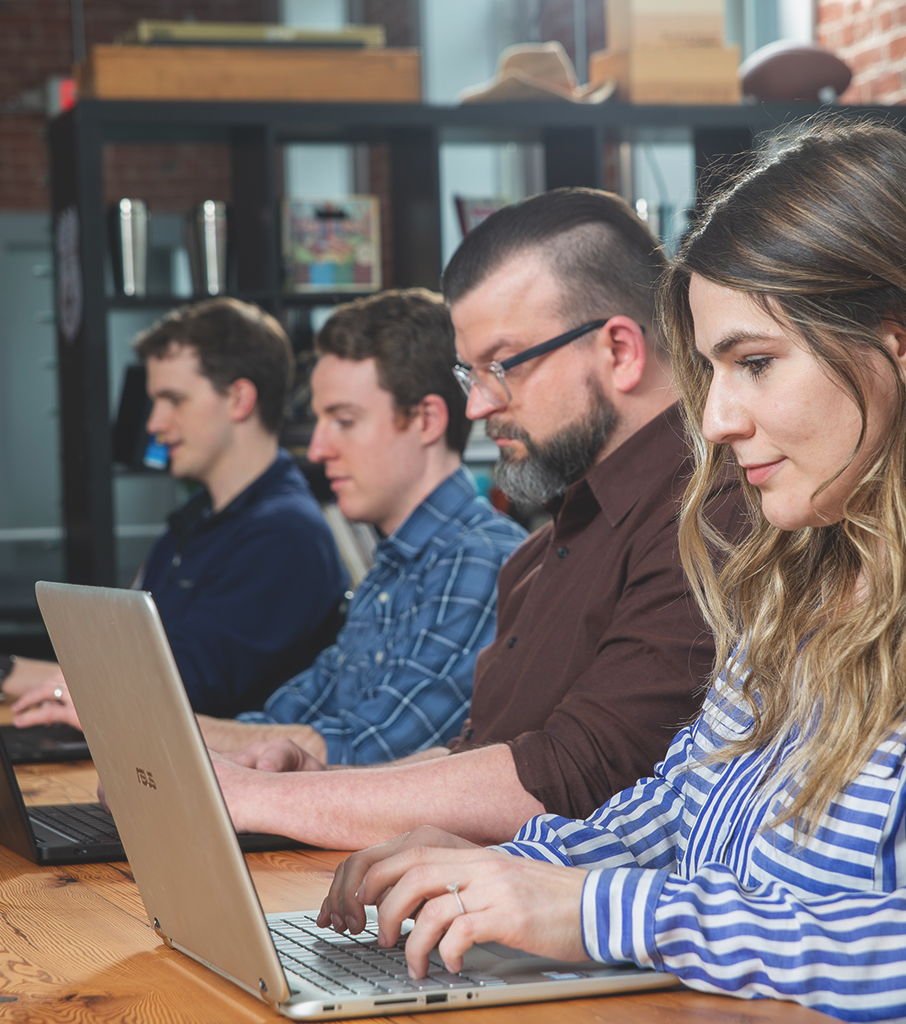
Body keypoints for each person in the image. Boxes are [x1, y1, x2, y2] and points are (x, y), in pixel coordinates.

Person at [319, 120, 906, 1022]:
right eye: (711, 369)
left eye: (757, 363)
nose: (721, 419)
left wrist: (594, 911)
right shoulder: (797, 579)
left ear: (902, 342)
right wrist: (512, 868)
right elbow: (679, 807)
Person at [208, 188, 741, 847]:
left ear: (620, 352)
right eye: (471, 374)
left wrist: (262, 799)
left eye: (502, 366)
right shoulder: (540, 553)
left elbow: (572, 778)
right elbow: (478, 756)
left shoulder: (707, 515)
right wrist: (311, 777)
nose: (478, 407)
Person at [186, 288, 526, 764]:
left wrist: (167, 734)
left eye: (344, 420)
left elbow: (369, 748)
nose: (319, 448)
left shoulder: (482, 559)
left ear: (426, 419)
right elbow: (290, 716)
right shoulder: (392, 565)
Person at [6, 297, 349, 719]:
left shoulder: (286, 534)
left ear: (239, 399)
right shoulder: (194, 522)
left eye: (174, 400)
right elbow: (126, 662)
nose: (154, 423)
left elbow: (174, 689)